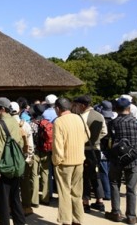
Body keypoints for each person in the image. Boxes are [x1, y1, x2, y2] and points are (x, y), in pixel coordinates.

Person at [105, 97, 137, 224]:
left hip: (117, 159)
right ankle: (131, 216)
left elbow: (109, 141)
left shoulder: (112, 123)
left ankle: (116, 212)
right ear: (129, 108)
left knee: (115, 184)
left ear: (117, 108)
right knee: (131, 188)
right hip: (134, 159)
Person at [52, 97, 89, 225]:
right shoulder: (79, 118)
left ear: (58, 108)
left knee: (64, 193)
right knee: (77, 193)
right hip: (79, 160)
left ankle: (66, 220)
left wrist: (57, 161)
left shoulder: (59, 122)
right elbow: (87, 135)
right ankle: (78, 219)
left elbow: (58, 145)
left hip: (64, 162)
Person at [0, 97, 26, 225]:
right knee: (15, 197)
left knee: (3, 200)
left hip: (5, 165)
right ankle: (20, 222)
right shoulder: (14, 121)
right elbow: (20, 142)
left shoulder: (0, 124)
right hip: (16, 163)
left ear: (2, 109)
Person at [72, 95, 107, 213]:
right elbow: (104, 132)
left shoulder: (80, 117)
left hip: (84, 149)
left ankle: (85, 202)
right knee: (96, 175)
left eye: (77, 105)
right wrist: (96, 139)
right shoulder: (100, 116)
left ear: (82, 105)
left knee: (84, 176)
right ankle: (100, 201)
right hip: (96, 149)